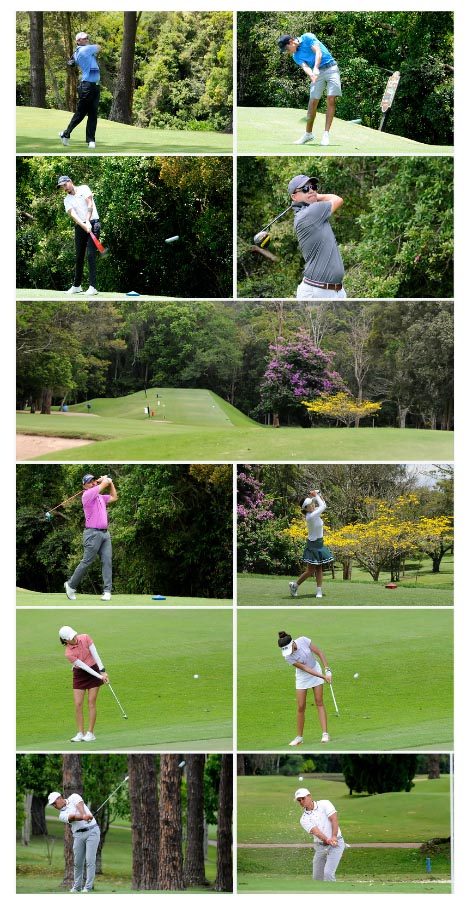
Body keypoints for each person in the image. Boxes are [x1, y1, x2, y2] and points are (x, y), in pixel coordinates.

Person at [288, 174, 346, 299]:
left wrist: (311, 196)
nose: (311, 190)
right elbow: (338, 199)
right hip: (316, 292)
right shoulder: (311, 212)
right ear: (294, 197)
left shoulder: (309, 211)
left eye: (313, 187)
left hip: (335, 291)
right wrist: (316, 196)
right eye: (305, 189)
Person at [278, 33, 342, 147]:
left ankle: (326, 135)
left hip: (331, 68)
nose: (287, 51)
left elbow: (318, 52)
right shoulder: (295, 56)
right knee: (312, 102)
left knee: (331, 99)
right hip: (317, 74)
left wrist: (316, 67)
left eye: (287, 48)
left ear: (291, 41)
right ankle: (308, 134)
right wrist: (312, 75)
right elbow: (305, 67)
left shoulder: (307, 37)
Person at [64, 473, 118, 601]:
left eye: (94, 480)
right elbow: (103, 484)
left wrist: (110, 483)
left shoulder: (100, 497)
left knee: (107, 561)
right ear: (85, 486)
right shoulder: (87, 495)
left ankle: (107, 591)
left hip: (105, 534)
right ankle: (70, 585)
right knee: (87, 561)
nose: (93, 483)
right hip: (92, 534)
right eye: (90, 482)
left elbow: (114, 497)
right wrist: (105, 480)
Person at [278, 630, 332, 745]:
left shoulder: (303, 640)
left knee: (319, 701)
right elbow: (306, 669)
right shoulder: (288, 658)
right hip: (303, 676)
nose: (288, 652)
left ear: (292, 643)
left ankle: (325, 734)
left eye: (289, 649)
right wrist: (323, 677)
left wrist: (327, 669)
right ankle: (299, 737)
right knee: (301, 706)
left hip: (315, 669)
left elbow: (319, 653)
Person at [59, 624, 110, 743]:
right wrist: (100, 677)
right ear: (65, 640)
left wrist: (103, 672)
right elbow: (84, 667)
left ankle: (90, 733)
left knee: (91, 702)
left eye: (74, 635)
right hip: (81, 674)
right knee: (78, 704)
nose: (75, 638)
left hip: (95, 668)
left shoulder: (85, 637)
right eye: (71, 638)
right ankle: (80, 733)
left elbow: (96, 655)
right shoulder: (68, 653)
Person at [47, 789, 101, 892]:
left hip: (92, 832)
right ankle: (77, 887)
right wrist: (83, 817)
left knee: (90, 860)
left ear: (59, 798)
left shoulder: (74, 797)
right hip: (78, 835)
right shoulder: (61, 815)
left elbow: (79, 805)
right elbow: (72, 817)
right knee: (78, 862)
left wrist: (84, 814)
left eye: (54, 803)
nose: (54, 806)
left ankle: (88, 888)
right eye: (52, 805)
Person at [294, 787, 347, 881]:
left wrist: (334, 836)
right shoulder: (304, 819)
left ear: (310, 797)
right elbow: (316, 832)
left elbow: (333, 819)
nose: (301, 801)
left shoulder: (325, 803)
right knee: (317, 878)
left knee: (328, 874)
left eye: (303, 798)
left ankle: (335, 893)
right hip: (320, 847)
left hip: (336, 843)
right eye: (299, 800)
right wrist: (328, 840)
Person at [59, 32, 101, 149]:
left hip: (95, 86)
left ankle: (90, 140)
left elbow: (74, 62)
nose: (87, 39)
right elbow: (99, 47)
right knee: (81, 114)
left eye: (87, 37)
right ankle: (66, 133)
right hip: (87, 86)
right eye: (83, 38)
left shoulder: (80, 52)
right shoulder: (84, 51)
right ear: (78, 41)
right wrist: (90, 47)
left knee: (93, 114)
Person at [289, 490, 334, 598]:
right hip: (313, 545)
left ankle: (319, 591)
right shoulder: (310, 516)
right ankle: (295, 585)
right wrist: (316, 495)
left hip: (319, 544)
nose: (313, 505)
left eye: (313, 503)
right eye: (310, 504)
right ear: (305, 508)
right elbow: (322, 506)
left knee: (319, 569)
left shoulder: (314, 511)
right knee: (310, 570)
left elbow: (324, 505)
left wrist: (320, 495)